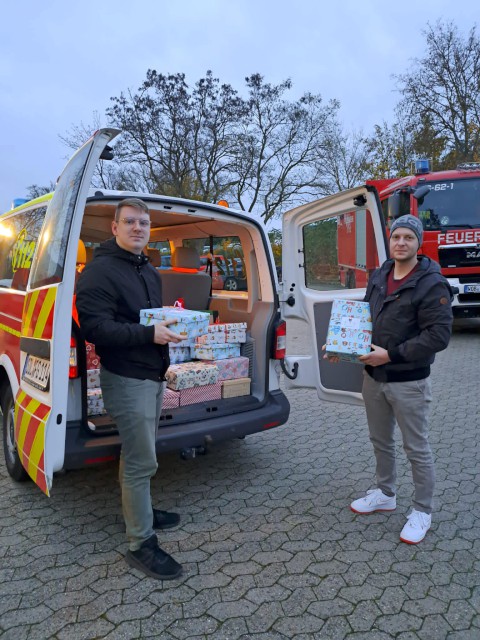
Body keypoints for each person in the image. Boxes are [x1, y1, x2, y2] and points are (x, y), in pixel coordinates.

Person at [76, 197, 185, 579]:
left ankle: (142, 510)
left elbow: (155, 324)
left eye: (144, 222)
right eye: (130, 222)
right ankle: (141, 542)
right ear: (115, 227)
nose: (138, 228)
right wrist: (149, 333)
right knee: (143, 461)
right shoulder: (98, 272)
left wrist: (168, 360)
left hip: (152, 376)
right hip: (125, 379)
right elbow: (95, 329)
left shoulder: (149, 270)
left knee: (139, 453)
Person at [328, 214, 453, 544]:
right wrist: (344, 346)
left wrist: (391, 354)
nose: (401, 242)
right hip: (373, 376)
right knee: (380, 440)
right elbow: (367, 315)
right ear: (391, 240)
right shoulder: (381, 273)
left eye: (408, 238)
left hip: (408, 380)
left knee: (416, 447)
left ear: (418, 243)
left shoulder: (430, 282)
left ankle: (422, 510)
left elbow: (439, 336)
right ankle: (385, 493)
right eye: (396, 236)